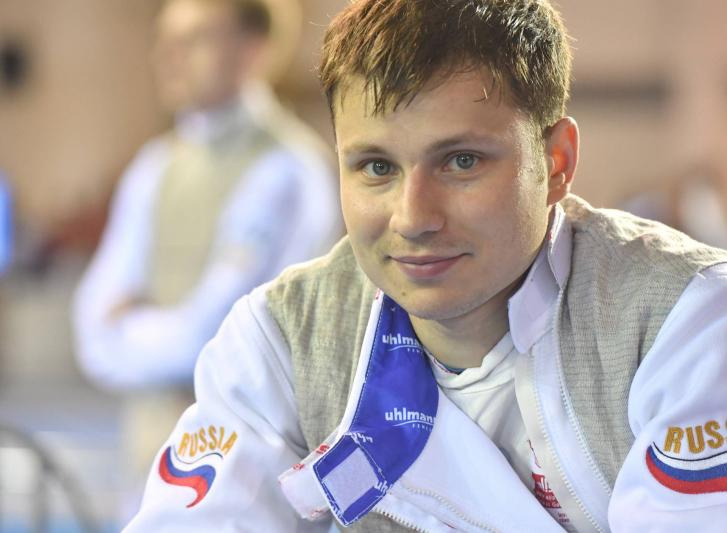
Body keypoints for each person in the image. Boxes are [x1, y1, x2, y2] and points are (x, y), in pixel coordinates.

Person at [125, 0, 727, 531]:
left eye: (461, 161)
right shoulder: (280, 339)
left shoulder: (683, 318)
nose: (413, 218)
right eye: (376, 167)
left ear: (556, 163)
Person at [72, 0, 340, 520]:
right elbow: (92, 333)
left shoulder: (287, 167)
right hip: (145, 464)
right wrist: (150, 337)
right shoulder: (152, 168)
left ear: (252, 51)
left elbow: (221, 335)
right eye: (165, 39)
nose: (168, 55)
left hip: (252, 479)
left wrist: (134, 323)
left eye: (194, 39)